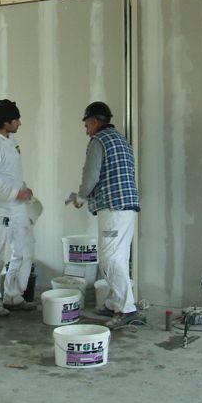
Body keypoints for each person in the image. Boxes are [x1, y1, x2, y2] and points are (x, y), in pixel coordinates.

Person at [69, 101, 141, 329]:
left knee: (110, 258)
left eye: (86, 125)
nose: (86, 131)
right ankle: (114, 302)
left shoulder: (98, 141)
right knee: (119, 257)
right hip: (127, 207)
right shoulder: (120, 140)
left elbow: (91, 175)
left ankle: (126, 309)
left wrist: (80, 198)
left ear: (94, 121)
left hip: (113, 208)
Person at [0, 99, 37, 317]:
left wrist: (23, 188)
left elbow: (11, 172)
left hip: (17, 207)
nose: (20, 123)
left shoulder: (11, 140)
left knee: (23, 250)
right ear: (6, 122)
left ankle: (13, 296)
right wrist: (14, 193)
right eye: (16, 120)